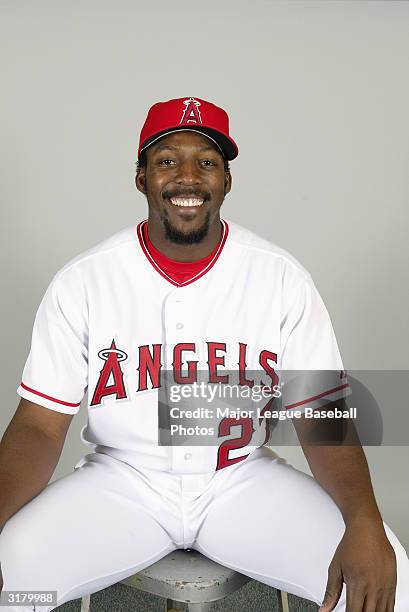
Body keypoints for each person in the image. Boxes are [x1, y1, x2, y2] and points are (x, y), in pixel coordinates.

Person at [0, 96, 408, 612]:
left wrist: (364, 519)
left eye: (207, 162)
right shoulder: (83, 281)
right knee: (11, 586)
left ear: (227, 180)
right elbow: (38, 426)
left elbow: (321, 415)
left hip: (242, 482)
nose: (187, 177)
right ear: (141, 178)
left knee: (393, 580)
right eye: (167, 160)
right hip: (121, 484)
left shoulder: (279, 277)